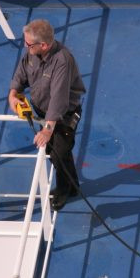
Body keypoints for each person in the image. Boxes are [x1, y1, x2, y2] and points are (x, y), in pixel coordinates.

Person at [8, 19, 86, 210]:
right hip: (44, 112)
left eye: (28, 44)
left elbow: (59, 100)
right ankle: (73, 186)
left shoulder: (62, 61)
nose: (25, 47)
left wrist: (47, 130)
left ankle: (64, 190)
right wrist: (13, 94)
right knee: (55, 152)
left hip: (64, 115)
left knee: (59, 152)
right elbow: (22, 73)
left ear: (43, 45)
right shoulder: (32, 53)